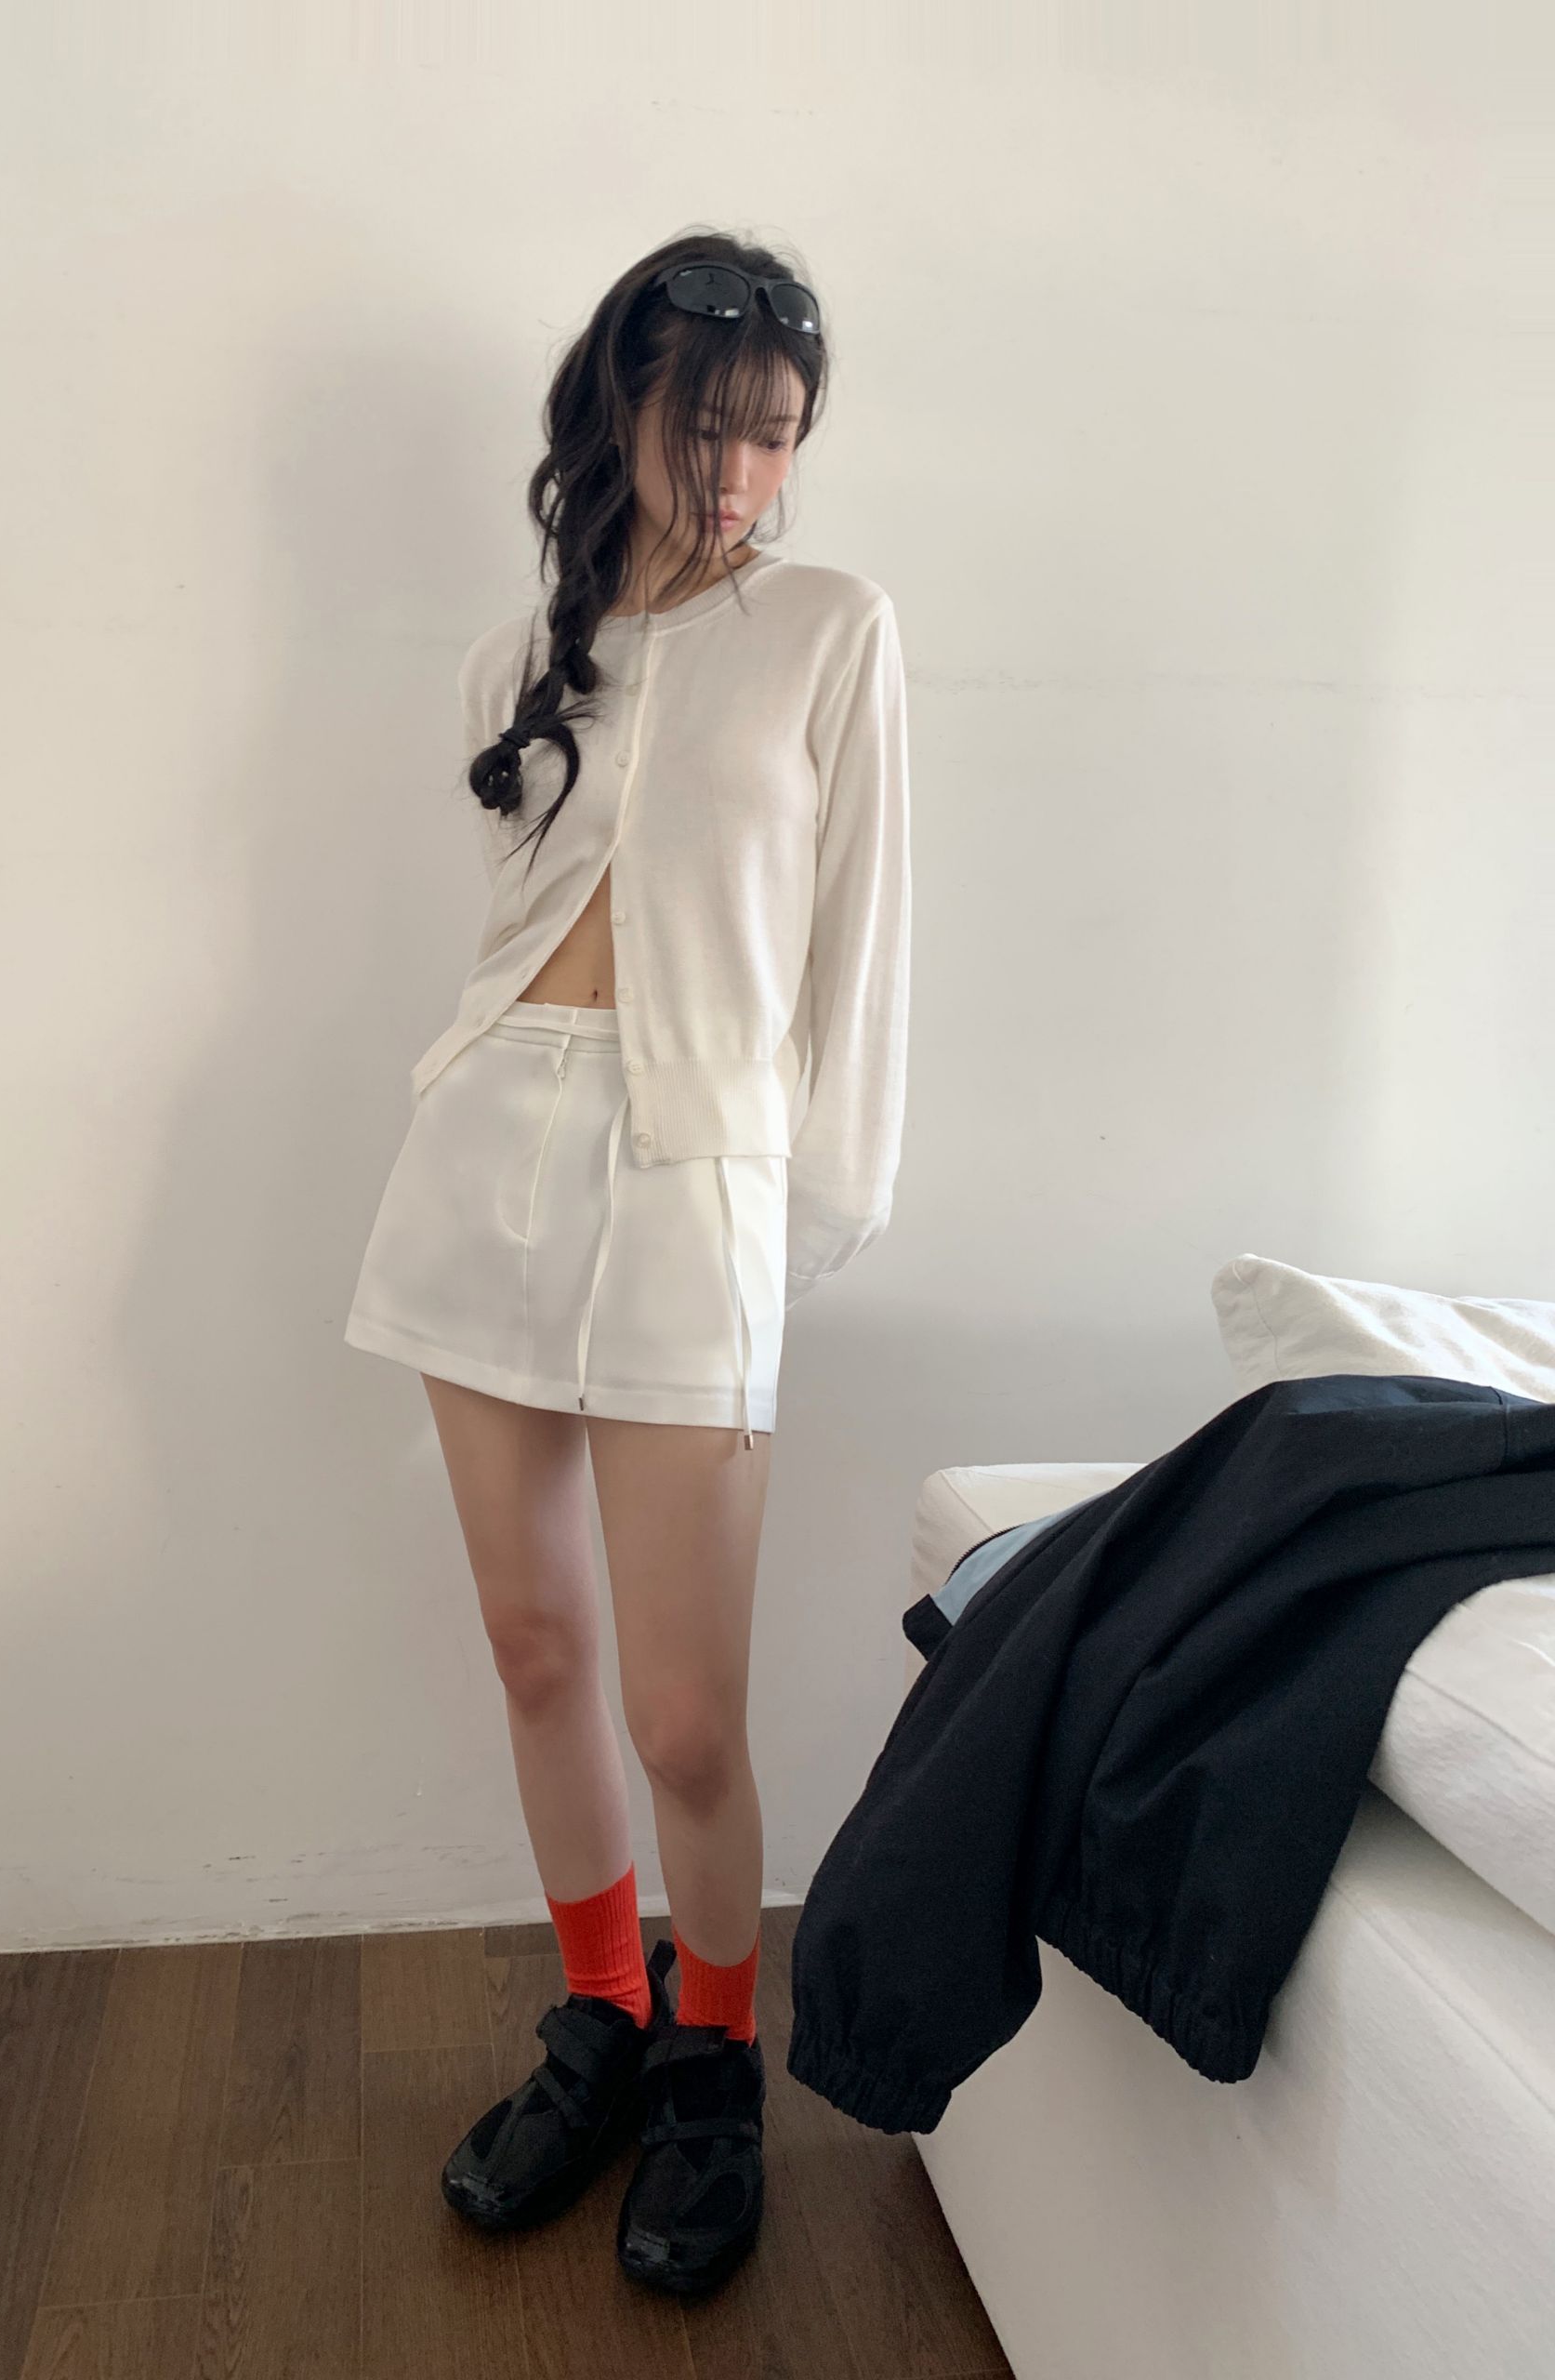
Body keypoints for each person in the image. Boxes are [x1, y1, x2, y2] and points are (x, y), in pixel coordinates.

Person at [343, 230, 912, 2296]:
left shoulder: (834, 632)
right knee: (535, 1649)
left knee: (685, 1712)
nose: (744, 475)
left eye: (778, 435)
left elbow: (864, 954)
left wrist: (800, 1214)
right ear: (626, 406)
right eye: (709, 426)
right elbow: (514, 933)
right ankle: (600, 2015)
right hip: (489, 1147)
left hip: (698, 1181)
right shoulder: (524, 655)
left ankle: (713, 2065)